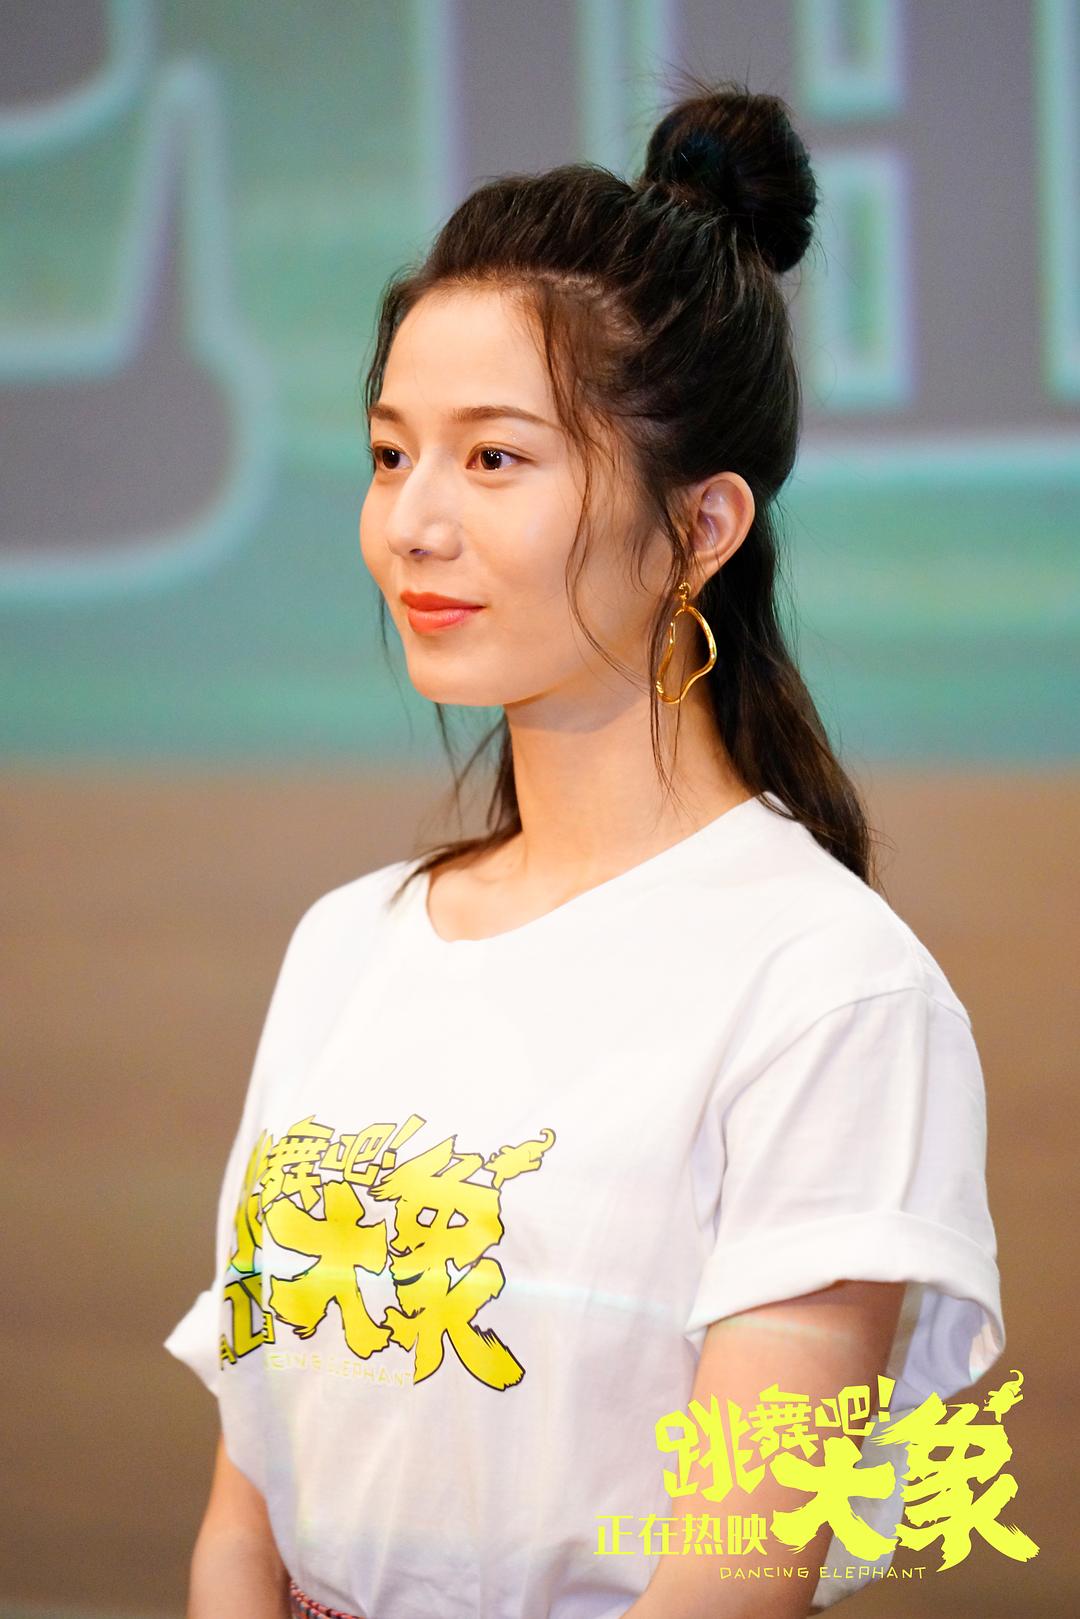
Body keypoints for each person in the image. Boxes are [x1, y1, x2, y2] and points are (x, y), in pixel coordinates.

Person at [165, 73, 1004, 1619]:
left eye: (494, 459)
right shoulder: (350, 943)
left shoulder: (829, 991)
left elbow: (738, 1575)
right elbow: (245, 1517)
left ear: (703, 528)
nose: (413, 524)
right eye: (390, 453)